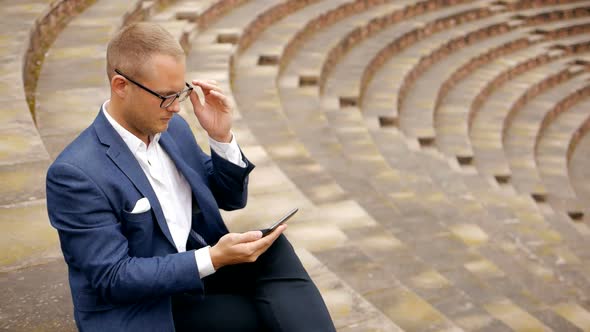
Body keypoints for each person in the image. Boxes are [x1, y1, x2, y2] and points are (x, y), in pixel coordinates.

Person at [46, 22, 335, 332]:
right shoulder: (75, 174)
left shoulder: (173, 131)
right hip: (143, 307)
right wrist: (212, 258)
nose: (176, 109)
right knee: (266, 317)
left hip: (193, 276)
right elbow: (113, 278)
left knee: (274, 251)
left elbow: (229, 198)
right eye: (165, 97)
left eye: (180, 94)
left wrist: (221, 137)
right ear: (121, 86)